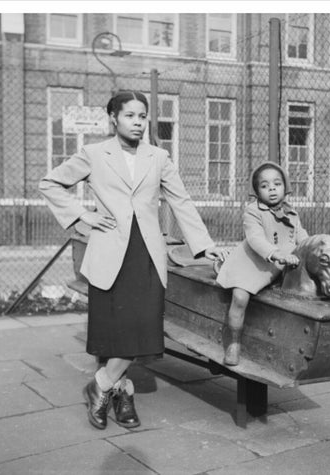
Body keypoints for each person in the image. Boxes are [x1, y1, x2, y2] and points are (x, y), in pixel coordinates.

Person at [39, 90, 225, 430]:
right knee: (115, 332)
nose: (138, 122)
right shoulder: (94, 154)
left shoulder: (158, 156)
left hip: (147, 255)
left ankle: (100, 385)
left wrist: (203, 245)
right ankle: (123, 393)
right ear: (114, 118)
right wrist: (83, 216)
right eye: (130, 116)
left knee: (143, 328)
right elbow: (50, 183)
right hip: (109, 252)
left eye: (142, 116)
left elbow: (180, 200)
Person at [216, 161, 309, 366]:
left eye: (277, 184)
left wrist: (314, 246)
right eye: (265, 186)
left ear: (285, 187)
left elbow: (302, 238)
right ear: (257, 191)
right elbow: (256, 239)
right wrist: (277, 254)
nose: (272, 189)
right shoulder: (252, 211)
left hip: (277, 267)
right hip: (251, 264)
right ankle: (233, 342)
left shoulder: (292, 214)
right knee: (240, 297)